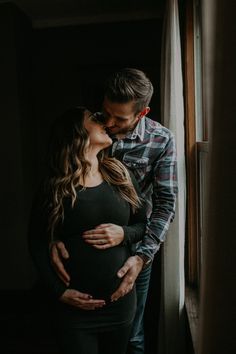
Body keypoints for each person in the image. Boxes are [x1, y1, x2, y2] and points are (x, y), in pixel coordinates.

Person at [50, 68, 178, 354]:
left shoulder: (161, 141)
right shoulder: (92, 127)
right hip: (80, 261)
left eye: (119, 119)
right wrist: (53, 236)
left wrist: (141, 258)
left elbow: (165, 204)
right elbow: (62, 182)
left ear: (141, 113)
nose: (108, 123)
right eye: (104, 112)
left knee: (132, 336)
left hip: (135, 249)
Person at [28, 106, 147, 354]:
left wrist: (124, 234)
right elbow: (37, 241)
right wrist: (60, 292)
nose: (104, 121)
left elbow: (142, 226)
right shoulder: (54, 186)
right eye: (93, 119)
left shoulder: (120, 174)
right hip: (73, 309)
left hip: (119, 304)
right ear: (77, 133)